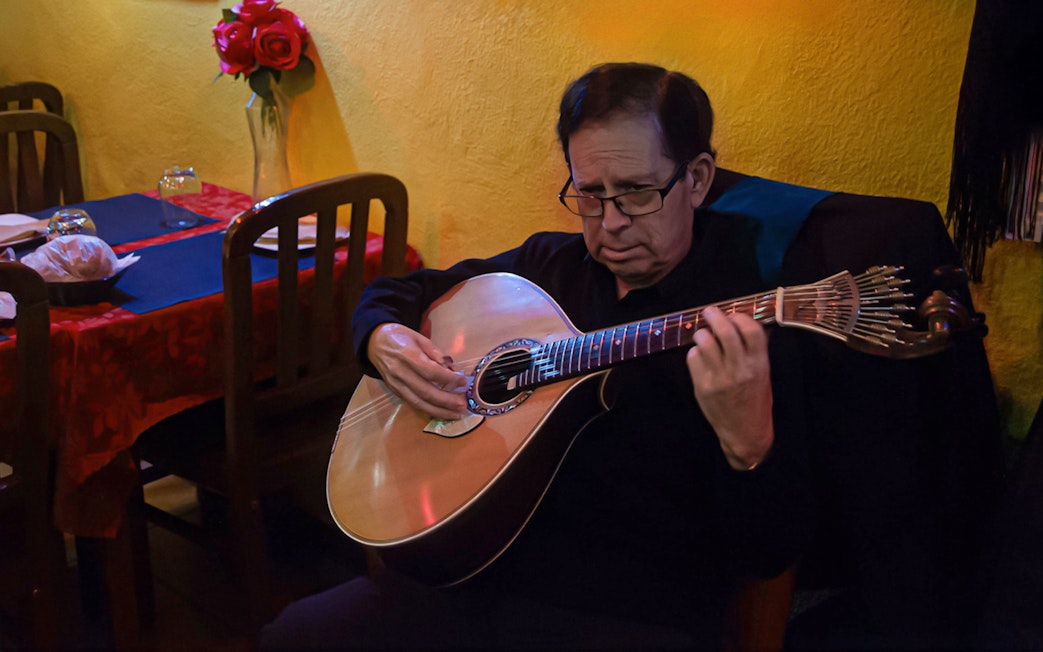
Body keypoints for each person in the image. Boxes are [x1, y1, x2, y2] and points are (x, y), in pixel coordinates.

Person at [261, 62, 815, 650]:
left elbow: (770, 553)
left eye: (636, 192)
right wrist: (381, 339)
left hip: (625, 615)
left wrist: (748, 447)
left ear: (697, 179)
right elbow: (399, 292)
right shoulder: (547, 270)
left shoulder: (748, 319)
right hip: (465, 573)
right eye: (590, 194)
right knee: (293, 636)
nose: (611, 224)